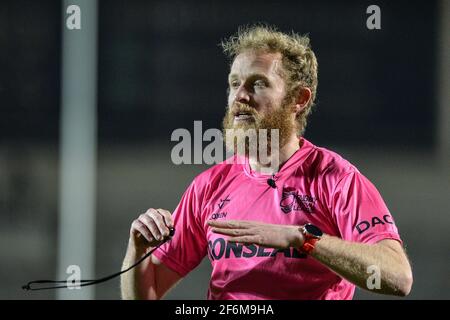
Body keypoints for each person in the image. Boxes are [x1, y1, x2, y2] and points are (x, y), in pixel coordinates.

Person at [120, 25, 413, 300]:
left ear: (298, 99)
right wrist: (138, 247)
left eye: (257, 84)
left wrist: (302, 239)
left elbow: (398, 277)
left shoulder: (336, 178)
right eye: (234, 83)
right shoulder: (209, 186)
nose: (240, 96)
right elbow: (148, 292)